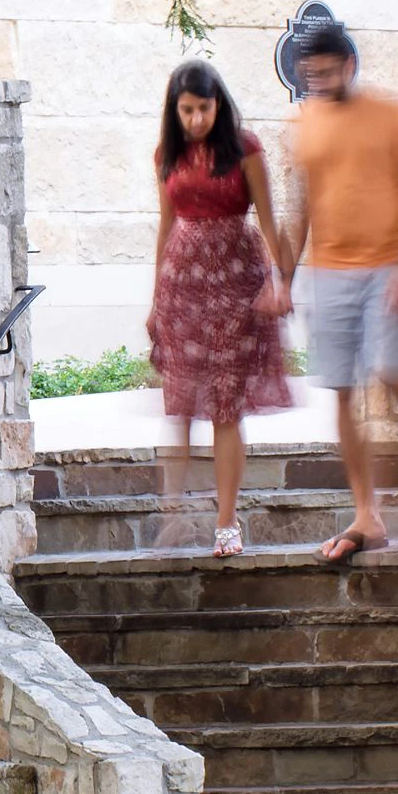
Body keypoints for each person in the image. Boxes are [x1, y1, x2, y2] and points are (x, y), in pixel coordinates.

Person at [281, 17, 398, 564]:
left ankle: (396, 498)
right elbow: (300, 207)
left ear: (348, 64)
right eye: (308, 76)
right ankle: (368, 512)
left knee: (389, 381)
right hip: (329, 272)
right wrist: (284, 276)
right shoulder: (305, 124)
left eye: (325, 72)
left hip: (388, 267)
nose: (317, 83)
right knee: (341, 391)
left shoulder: (392, 117)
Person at [146, 61, 292, 555]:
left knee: (226, 408)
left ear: (218, 104)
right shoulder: (167, 153)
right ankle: (172, 515)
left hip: (235, 282)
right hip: (181, 286)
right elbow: (165, 228)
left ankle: (227, 522)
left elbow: (270, 221)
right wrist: (154, 302)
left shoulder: (245, 149)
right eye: (185, 110)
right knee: (180, 404)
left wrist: (281, 281)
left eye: (203, 108)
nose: (194, 119)